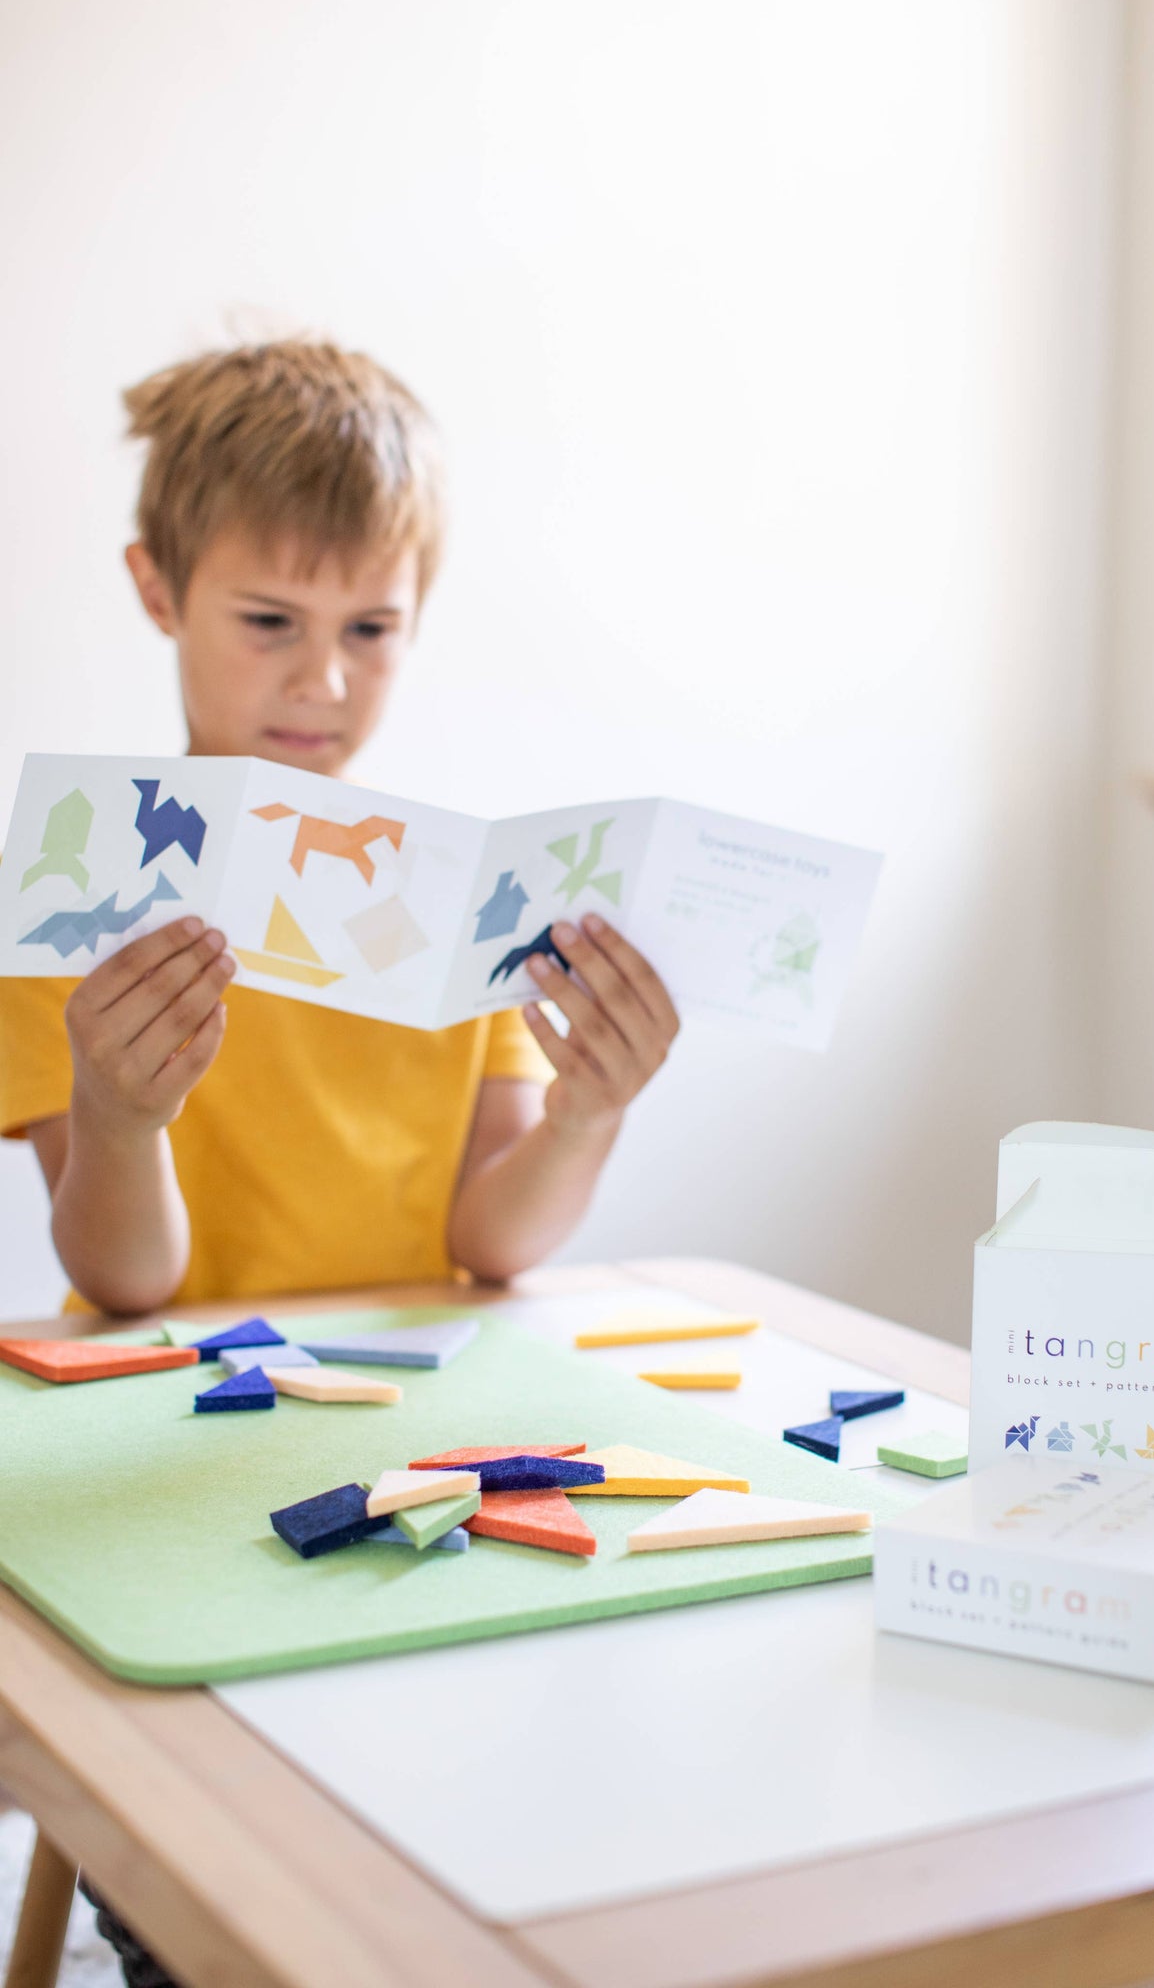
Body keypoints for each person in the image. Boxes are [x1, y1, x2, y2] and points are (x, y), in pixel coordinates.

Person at [0, 340, 681, 1985]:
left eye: (371, 630)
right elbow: (125, 1281)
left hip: (424, 1422)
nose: (322, 682)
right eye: (270, 625)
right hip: (176, 1429)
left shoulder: (459, 895)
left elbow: (492, 1239)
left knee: (525, 1783)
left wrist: (593, 1107)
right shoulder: (76, 897)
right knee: (236, 1866)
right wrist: (125, 1109)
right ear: (157, 589)